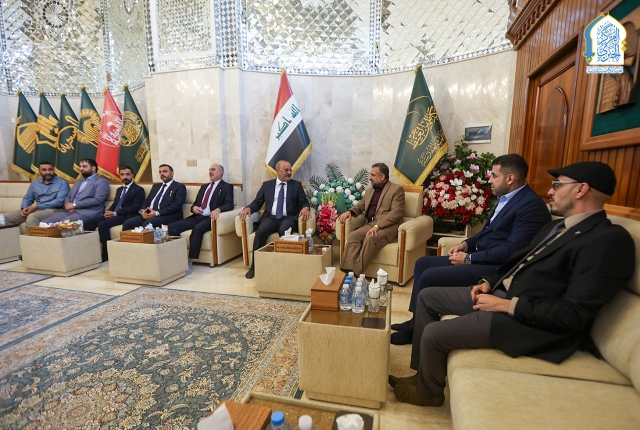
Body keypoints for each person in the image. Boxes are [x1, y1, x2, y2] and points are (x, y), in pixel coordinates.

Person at [388, 161, 635, 407]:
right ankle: (422, 375)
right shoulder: (556, 226)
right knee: (428, 297)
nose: (550, 191)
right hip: (501, 293)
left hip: (526, 321)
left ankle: (428, 394)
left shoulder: (607, 240)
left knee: (434, 333)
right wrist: (488, 282)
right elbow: (518, 262)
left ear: (581, 189)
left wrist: (506, 305)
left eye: (558, 185)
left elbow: (573, 313)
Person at [391, 154, 550, 345]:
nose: (489, 180)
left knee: (429, 276)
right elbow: (487, 232)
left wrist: (468, 258)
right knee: (422, 263)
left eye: (494, 176)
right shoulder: (506, 198)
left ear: (510, 178)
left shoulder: (531, 205)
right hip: (480, 258)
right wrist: (466, 244)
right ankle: (414, 321)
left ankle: (415, 331)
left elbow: (512, 251)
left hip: (494, 269)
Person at [238, 160, 311, 279]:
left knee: (284, 231)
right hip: (270, 217)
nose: (289, 172)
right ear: (277, 171)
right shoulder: (267, 185)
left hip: (288, 217)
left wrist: (305, 208)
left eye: (290, 170)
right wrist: (248, 208)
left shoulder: (296, 185)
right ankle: (254, 267)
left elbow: (304, 201)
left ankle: (285, 267)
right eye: (286, 170)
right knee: (261, 232)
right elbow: (258, 202)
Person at [338, 162, 405, 276]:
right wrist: (350, 212)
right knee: (353, 236)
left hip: (389, 226)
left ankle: (356, 274)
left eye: (373, 175)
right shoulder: (370, 191)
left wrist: (378, 226)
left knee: (370, 238)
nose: (369, 178)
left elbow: (396, 213)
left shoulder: (396, 190)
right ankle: (348, 273)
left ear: (382, 177)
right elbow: (361, 206)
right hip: (371, 224)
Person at [168, 164, 234, 274]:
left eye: (213, 170)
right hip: (197, 216)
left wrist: (218, 209)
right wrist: (193, 208)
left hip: (210, 218)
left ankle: (190, 260)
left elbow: (229, 204)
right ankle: (177, 257)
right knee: (172, 227)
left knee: (198, 229)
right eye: (209, 170)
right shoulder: (204, 187)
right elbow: (195, 204)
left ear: (221, 172)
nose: (210, 172)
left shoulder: (226, 187)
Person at [83, 166, 145, 262]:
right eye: (122, 174)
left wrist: (115, 213)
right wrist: (108, 212)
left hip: (125, 215)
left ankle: (107, 253)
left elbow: (135, 207)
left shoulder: (138, 190)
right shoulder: (119, 189)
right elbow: (115, 204)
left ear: (132, 175)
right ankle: (91, 251)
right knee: (87, 224)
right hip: (114, 213)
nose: (125, 177)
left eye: (127, 174)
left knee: (103, 225)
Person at [41, 159, 109, 224]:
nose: (81, 169)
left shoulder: (101, 182)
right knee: (45, 223)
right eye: (80, 166)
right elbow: (69, 196)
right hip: (70, 211)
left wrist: (74, 205)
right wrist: (68, 206)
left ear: (93, 168)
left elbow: (97, 200)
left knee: (64, 224)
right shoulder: (78, 181)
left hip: (88, 212)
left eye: (84, 166)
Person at [2, 161, 69, 226]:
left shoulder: (62, 183)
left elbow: (60, 201)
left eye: (50, 170)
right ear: (39, 172)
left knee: (33, 217)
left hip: (54, 210)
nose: (48, 172)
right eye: (44, 170)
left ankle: (32, 233)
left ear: (53, 171)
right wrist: (24, 208)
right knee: (6, 217)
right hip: (37, 209)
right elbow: (28, 198)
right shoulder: (35, 183)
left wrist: (37, 206)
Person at [122, 164, 186, 230]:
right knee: (128, 223)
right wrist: (142, 211)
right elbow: (147, 201)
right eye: (160, 172)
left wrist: (156, 213)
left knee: (147, 224)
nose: (162, 174)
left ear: (172, 173)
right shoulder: (156, 186)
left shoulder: (179, 187)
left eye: (165, 171)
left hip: (167, 215)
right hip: (149, 214)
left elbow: (176, 205)